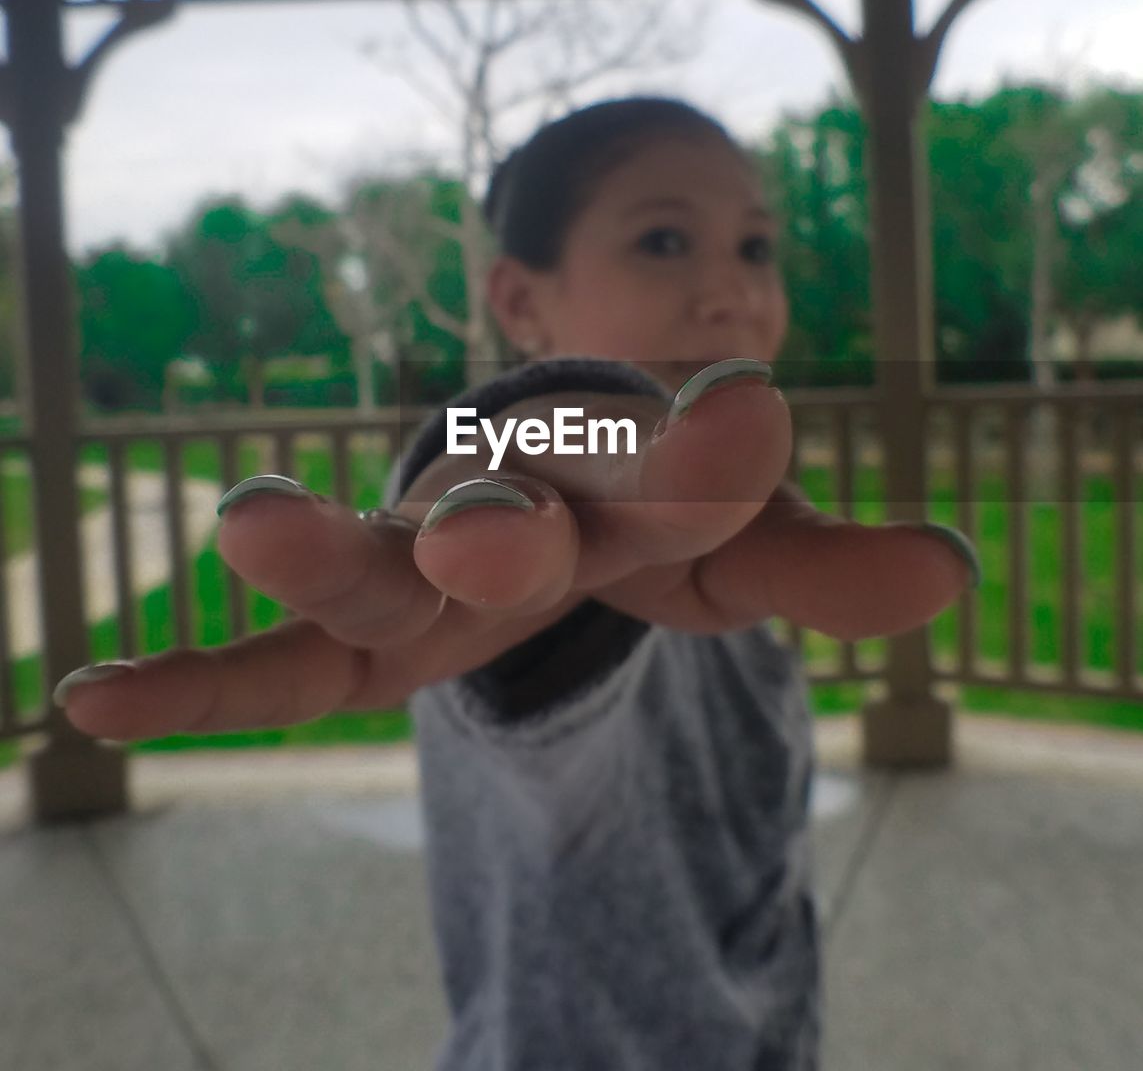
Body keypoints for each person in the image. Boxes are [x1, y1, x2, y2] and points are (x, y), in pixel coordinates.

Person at [55, 96, 980, 1070]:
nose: (730, 290)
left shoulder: (739, 554)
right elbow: (525, 468)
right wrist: (517, 462)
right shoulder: (527, 559)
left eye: (755, 247)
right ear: (520, 299)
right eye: (663, 240)